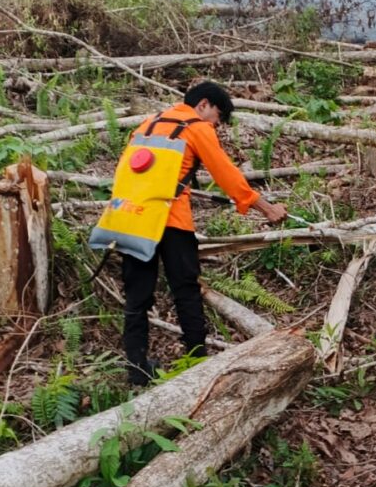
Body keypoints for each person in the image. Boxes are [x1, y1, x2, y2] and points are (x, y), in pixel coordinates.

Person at [120, 80, 287, 385]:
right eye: (218, 117)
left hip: (132, 218)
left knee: (137, 295)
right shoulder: (196, 127)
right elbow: (226, 173)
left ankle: (137, 369)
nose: (217, 125)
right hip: (171, 221)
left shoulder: (148, 124)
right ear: (204, 105)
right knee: (185, 290)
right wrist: (265, 207)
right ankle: (197, 362)